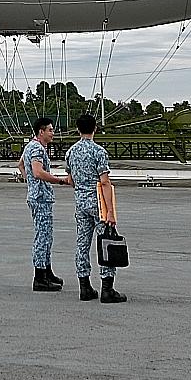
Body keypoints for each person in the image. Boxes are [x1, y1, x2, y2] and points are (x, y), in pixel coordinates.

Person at [64, 113, 127, 303]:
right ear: (95, 129)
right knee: (105, 242)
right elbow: (105, 182)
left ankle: (84, 287)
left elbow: (70, 179)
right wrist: (109, 211)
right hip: (98, 203)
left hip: (80, 203)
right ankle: (107, 288)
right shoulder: (99, 152)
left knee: (82, 244)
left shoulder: (71, 152)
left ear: (77, 129)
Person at [19, 117, 71, 291]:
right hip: (41, 198)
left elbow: (21, 165)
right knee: (43, 237)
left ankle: (47, 271)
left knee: (46, 236)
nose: (52, 133)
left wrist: (30, 183)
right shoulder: (36, 148)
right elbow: (38, 171)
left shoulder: (31, 146)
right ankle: (40, 276)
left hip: (38, 195)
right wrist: (60, 181)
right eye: (50, 130)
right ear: (41, 131)